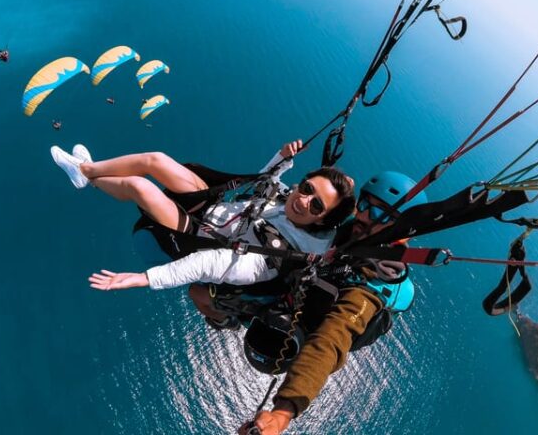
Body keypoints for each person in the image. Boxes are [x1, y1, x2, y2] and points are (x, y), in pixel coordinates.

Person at [50, 141, 356, 320]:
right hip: (211, 206)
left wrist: (147, 279)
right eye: (306, 188)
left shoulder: (275, 257)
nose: (303, 200)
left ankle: (85, 175)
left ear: (321, 221)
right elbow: (262, 185)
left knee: (138, 187)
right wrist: (282, 158)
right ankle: (86, 170)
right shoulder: (288, 202)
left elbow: (211, 263)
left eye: (316, 205)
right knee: (154, 160)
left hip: (195, 237)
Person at [236, 171, 428, 435]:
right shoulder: (351, 231)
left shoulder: (369, 287)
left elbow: (331, 341)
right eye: (364, 205)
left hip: (314, 323)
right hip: (306, 295)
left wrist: (283, 412)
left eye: (381, 215)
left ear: (404, 231)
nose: (364, 217)